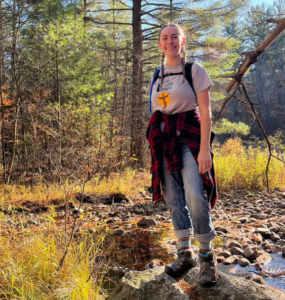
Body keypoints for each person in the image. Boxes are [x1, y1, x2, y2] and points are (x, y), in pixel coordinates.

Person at [146, 23, 219, 287]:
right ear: (159, 44)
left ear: (183, 41)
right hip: (164, 142)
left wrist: (204, 150)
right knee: (174, 198)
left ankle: (206, 256)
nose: (170, 41)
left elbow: (206, 112)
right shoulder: (157, 75)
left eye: (174, 37)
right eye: (165, 38)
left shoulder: (195, 70)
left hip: (190, 140)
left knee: (195, 195)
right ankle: (184, 253)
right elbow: (156, 110)